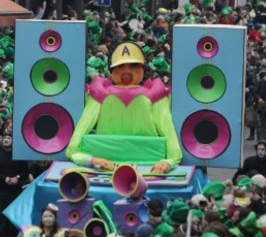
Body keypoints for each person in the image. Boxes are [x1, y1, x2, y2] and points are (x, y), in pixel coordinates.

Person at [66, 42, 181, 172]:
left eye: (133, 65)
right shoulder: (100, 93)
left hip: (148, 164)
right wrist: (91, 160)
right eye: (120, 66)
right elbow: (73, 147)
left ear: (143, 69)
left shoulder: (154, 93)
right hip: (105, 165)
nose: (126, 70)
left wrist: (168, 162)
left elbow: (169, 134)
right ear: (112, 70)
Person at [0, 133, 29, 237]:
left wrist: (17, 177)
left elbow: (25, 172)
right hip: (0, 191)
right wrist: (4, 178)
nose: (6, 140)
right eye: (4, 138)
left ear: (13, 141)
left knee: (11, 219)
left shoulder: (19, 156)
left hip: (14, 192)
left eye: (8, 138)